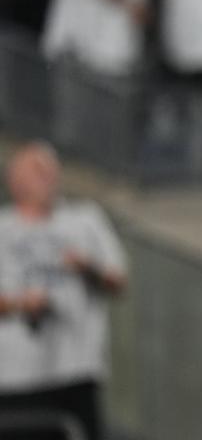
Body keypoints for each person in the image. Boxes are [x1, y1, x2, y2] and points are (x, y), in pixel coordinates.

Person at [0, 142, 128, 440]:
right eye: (37, 171)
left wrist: (88, 268)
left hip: (75, 370)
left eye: (50, 170)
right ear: (15, 180)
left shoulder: (85, 220)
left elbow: (118, 281)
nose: (47, 178)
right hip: (12, 375)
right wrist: (20, 304)